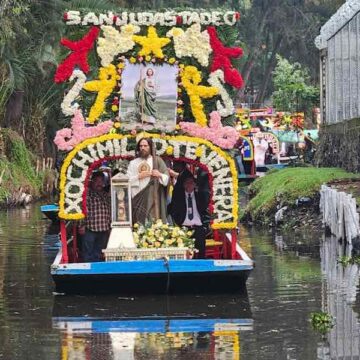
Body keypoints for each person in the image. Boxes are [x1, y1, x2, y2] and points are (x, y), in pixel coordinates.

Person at [126, 138, 169, 225]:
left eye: (145, 146)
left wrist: (159, 174)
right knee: (139, 224)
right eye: (141, 146)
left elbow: (166, 177)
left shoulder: (157, 160)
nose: (143, 148)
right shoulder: (133, 163)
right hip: (137, 199)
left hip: (153, 199)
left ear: (150, 147)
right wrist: (138, 177)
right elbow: (127, 181)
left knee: (152, 222)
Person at [169, 174, 210, 259]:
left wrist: (205, 225)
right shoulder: (178, 196)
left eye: (191, 183)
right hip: (184, 228)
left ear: (195, 185)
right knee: (184, 252)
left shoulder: (200, 196)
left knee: (200, 252)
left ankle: (201, 268)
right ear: (183, 185)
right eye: (187, 183)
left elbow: (206, 209)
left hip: (198, 227)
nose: (189, 185)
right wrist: (177, 222)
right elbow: (171, 209)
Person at [78, 172, 111, 262]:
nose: (99, 184)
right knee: (88, 253)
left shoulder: (105, 195)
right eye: (97, 181)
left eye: (101, 181)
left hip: (103, 228)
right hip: (90, 228)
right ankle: (87, 272)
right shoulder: (87, 195)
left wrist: (109, 226)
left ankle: (97, 271)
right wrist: (81, 225)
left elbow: (109, 210)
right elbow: (82, 210)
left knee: (99, 253)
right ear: (92, 182)